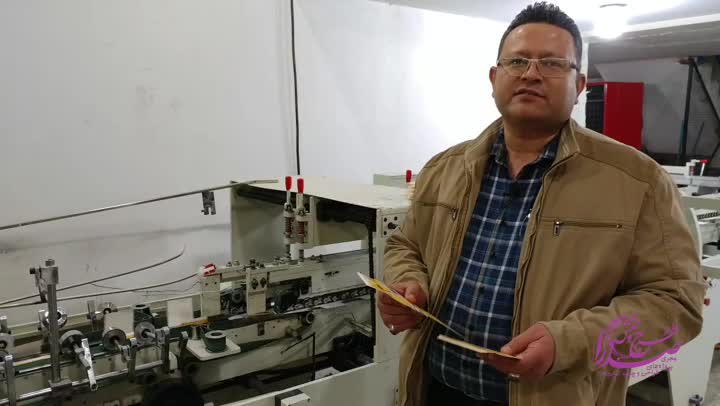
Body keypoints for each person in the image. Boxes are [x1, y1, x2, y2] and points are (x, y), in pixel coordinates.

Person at [379, 2, 706, 406]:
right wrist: (408, 285)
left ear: (579, 85)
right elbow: (405, 244)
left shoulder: (638, 181)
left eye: (552, 63)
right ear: (494, 77)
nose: (530, 73)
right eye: (517, 61)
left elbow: (677, 307)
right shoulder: (444, 168)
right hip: (434, 391)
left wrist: (568, 343)